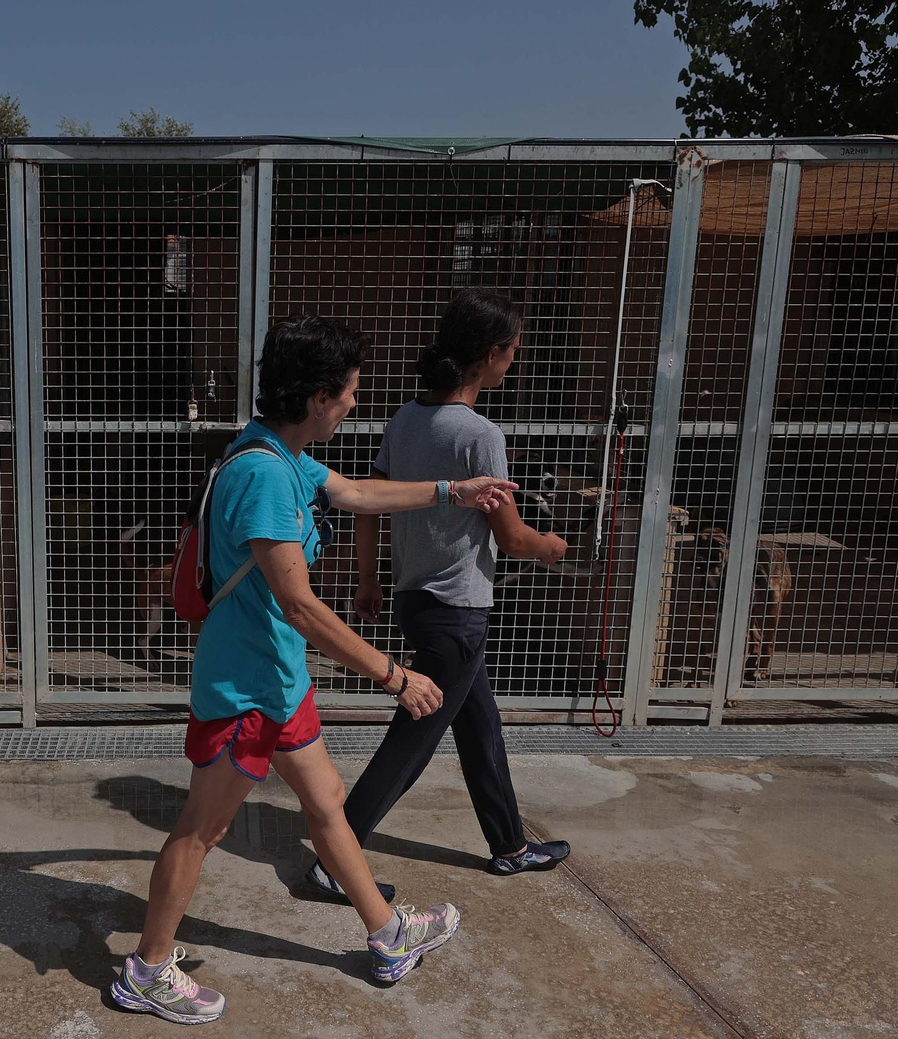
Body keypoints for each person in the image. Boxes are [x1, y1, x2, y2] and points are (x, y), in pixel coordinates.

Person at [110, 314, 518, 1026]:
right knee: (200, 830)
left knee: (327, 801)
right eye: (350, 393)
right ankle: (145, 969)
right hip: (246, 690)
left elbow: (358, 493)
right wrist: (395, 675)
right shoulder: (265, 475)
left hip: (279, 681)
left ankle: (388, 935)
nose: (356, 404)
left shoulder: (280, 452)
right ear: (318, 396)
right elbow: (299, 605)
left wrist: (451, 491)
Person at [306, 288, 572, 902]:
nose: (515, 363)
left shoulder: (405, 418)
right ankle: (334, 861)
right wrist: (552, 547)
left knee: (480, 726)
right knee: (411, 742)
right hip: (459, 612)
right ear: (487, 357)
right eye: (512, 352)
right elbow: (511, 539)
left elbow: (368, 503)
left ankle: (509, 845)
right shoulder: (480, 435)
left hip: (415, 600)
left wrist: (368, 578)